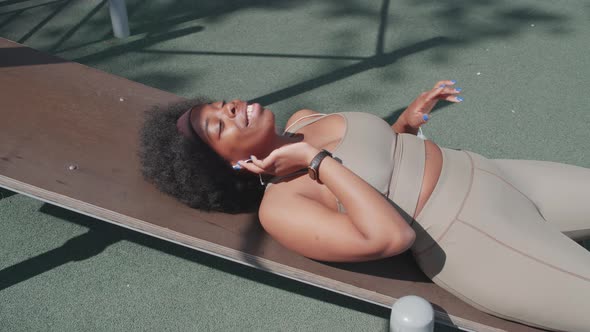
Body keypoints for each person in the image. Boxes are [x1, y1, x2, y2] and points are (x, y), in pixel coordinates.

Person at [139, 80, 590, 331]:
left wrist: (406, 125)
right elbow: (392, 235)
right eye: (221, 124)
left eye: (222, 104)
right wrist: (313, 161)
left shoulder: (304, 119)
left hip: (493, 173)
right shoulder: (282, 206)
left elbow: (379, 165)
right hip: (471, 234)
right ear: (235, 165)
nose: (233, 107)